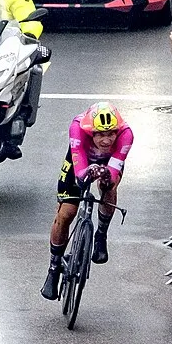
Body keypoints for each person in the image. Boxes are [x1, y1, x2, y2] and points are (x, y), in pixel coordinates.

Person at [43, 104, 133, 300]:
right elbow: (79, 170)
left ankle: (101, 235)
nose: (106, 140)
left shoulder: (126, 134)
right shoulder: (77, 128)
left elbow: (115, 169)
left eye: (111, 134)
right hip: (81, 159)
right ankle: (53, 267)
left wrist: (106, 176)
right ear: (89, 132)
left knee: (109, 187)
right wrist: (85, 174)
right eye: (100, 134)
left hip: (109, 161)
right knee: (66, 213)